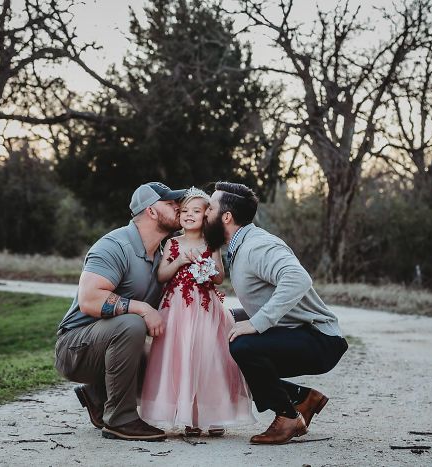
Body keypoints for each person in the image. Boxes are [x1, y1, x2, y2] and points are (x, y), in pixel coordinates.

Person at [203, 181, 348, 445]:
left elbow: (297, 278)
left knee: (244, 346)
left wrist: (257, 323)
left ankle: (287, 417)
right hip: (298, 332)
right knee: (225, 327)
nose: (203, 213)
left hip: (320, 338)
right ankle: (302, 398)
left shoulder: (257, 245)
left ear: (226, 216)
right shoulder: (239, 245)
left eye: (209, 208)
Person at [54, 181, 185, 441]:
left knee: (173, 362)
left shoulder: (161, 257)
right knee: (132, 323)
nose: (178, 208)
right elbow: (90, 300)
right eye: (170, 204)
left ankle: (98, 394)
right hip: (75, 348)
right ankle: (120, 419)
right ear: (151, 211)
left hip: (110, 345)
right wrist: (142, 308)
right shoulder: (114, 245)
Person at [140, 188, 256, 437]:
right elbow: (161, 275)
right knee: (181, 360)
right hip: (177, 310)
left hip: (205, 310)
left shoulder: (210, 243)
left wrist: (206, 267)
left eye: (196, 211)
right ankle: (189, 417)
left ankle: (214, 416)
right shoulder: (172, 243)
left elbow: (219, 277)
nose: (188, 215)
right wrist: (180, 261)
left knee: (208, 359)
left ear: (206, 216)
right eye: (184, 211)